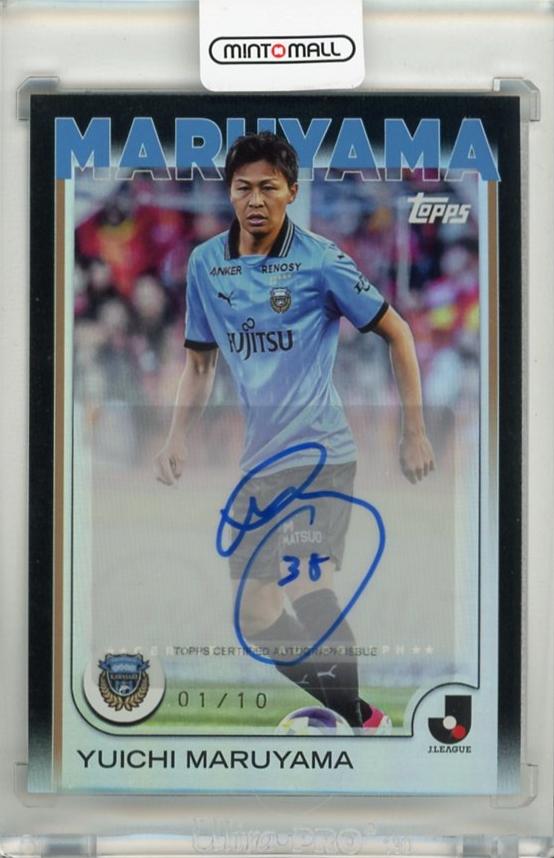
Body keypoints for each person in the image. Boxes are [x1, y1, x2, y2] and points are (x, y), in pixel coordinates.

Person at [155, 132, 435, 732]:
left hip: (320, 454)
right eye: (243, 188)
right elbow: (199, 365)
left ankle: (354, 728)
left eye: (268, 187)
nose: (255, 199)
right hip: (260, 466)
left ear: (291, 191)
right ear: (229, 192)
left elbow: (399, 333)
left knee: (310, 592)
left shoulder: (321, 261)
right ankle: (362, 716)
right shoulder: (206, 264)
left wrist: (414, 431)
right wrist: (176, 436)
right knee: (257, 619)